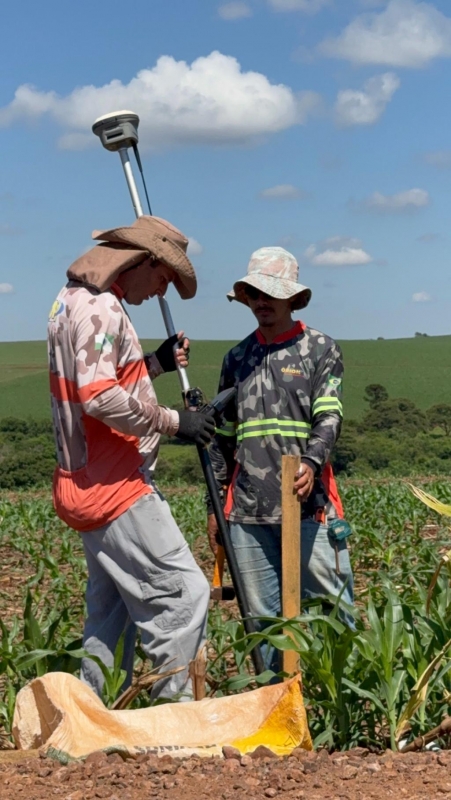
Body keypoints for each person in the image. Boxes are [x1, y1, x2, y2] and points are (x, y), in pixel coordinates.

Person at [48, 214, 215, 701]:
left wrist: (156, 363)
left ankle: (97, 717)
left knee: (111, 615)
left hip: (84, 480)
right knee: (185, 596)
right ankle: (175, 718)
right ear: (141, 261)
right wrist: (174, 422)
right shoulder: (103, 309)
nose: (161, 290)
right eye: (163, 277)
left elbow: (97, 383)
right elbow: (98, 397)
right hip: (115, 485)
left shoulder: (69, 302)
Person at [207, 246, 354, 671]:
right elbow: (222, 437)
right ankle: (277, 709)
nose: (260, 302)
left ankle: (342, 712)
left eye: (270, 294)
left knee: (334, 613)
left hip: (311, 509)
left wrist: (310, 462)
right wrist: (215, 504)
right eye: (254, 294)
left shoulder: (320, 349)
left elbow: (329, 415)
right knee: (264, 627)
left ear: (292, 298)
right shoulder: (236, 358)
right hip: (247, 514)